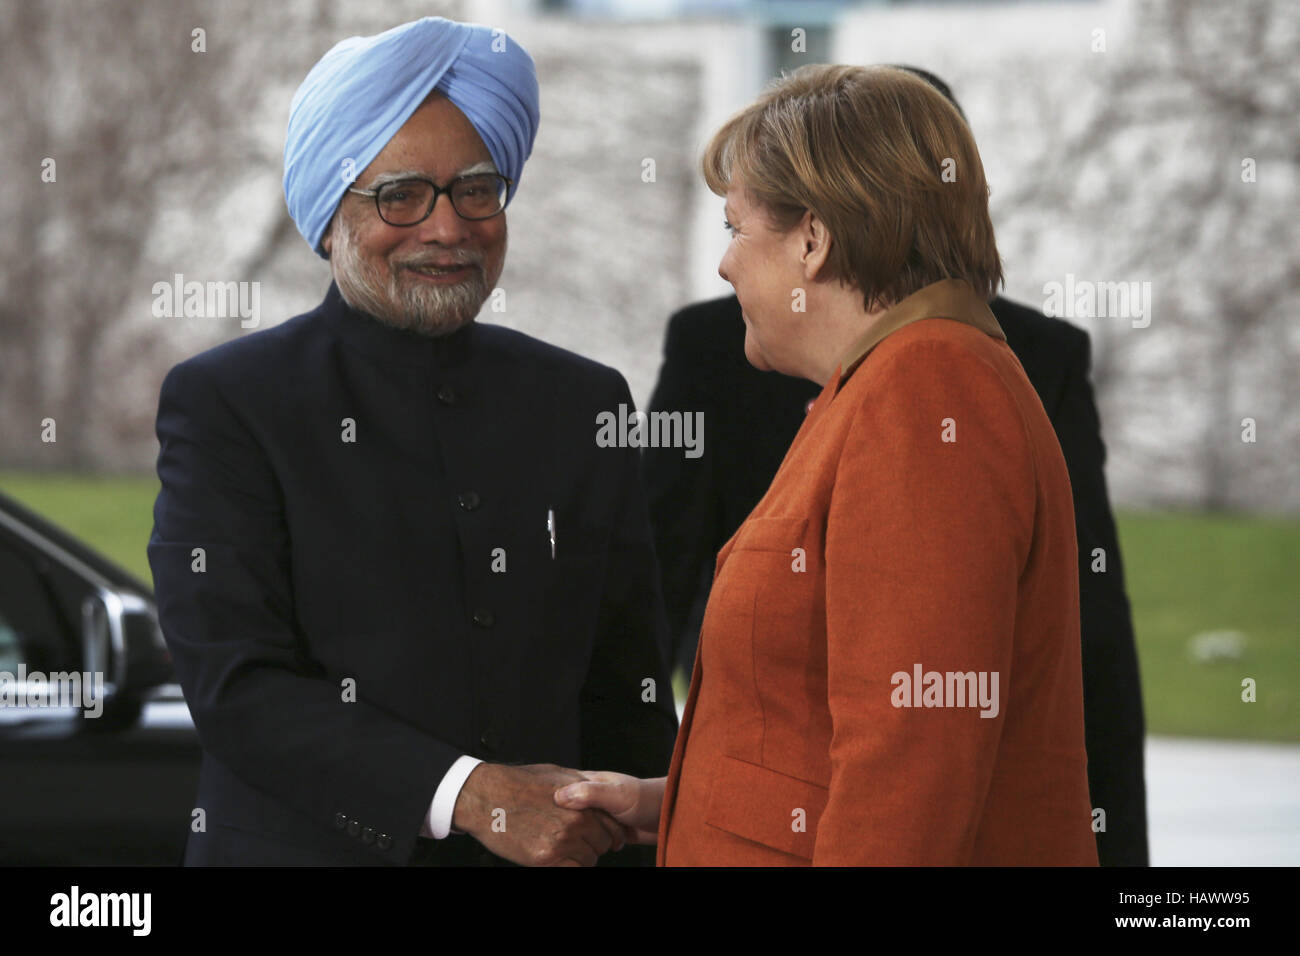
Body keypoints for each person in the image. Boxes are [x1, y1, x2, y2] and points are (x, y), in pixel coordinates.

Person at [147, 16, 676, 867]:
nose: (447, 227)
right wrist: (471, 794)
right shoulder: (229, 402)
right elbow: (237, 689)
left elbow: (628, 698)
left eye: (475, 190)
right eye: (400, 196)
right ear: (330, 218)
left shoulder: (584, 401)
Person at [556, 64, 1098, 865]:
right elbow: (838, 736)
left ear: (813, 239)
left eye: (736, 229)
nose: (724, 265)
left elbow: (907, 777)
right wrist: (676, 803)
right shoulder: (887, 380)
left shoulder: (926, 390)